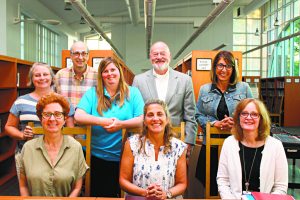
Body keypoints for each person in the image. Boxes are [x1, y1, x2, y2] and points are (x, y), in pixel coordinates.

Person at [74, 57, 144, 197]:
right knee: (99, 195)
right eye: (105, 71)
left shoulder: (133, 92)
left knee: (125, 195)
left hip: (127, 157)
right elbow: (78, 116)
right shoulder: (93, 93)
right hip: (96, 156)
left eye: (113, 70)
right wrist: (102, 121)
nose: (109, 74)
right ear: (101, 75)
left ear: (119, 72)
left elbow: (142, 119)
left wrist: (121, 125)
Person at [195, 50, 253, 196]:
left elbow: (254, 113)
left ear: (233, 69)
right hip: (211, 146)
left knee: (236, 184)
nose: (224, 70)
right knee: (212, 186)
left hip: (238, 144)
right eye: (220, 65)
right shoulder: (205, 89)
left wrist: (236, 123)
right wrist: (215, 123)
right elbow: (198, 115)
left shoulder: (244, 88)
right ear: (214, 67)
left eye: (228, 66)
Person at [5, 62, 74, 179]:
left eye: (45, 74)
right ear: (32, 78)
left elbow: (71, 131)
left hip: (58, 155)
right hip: (27, 155)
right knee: (29, 190)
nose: (42, 78)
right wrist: (22, 135)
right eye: (37, 75)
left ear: (52, 77)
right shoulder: (20, 101)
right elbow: (9, 127)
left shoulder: (64, 101)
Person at [132, 41, 197, 159]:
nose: (159, 57)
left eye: (163, 53)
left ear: (170, 56)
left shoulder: (185, 80)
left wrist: (189, 142)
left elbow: (191, 115)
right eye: (155, 54)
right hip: (146, 143)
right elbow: (136, 114)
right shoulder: (138, 80)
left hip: (176, 141)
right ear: (150, 57)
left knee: (177, 177)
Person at [18, 92, 88, 197]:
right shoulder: (28, 148)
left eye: (57, 114)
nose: (52, 119)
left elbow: (77, 188)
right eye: (47, 114)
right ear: (41, 119)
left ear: (65, 119)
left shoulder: (75, 147)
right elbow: (23, 186)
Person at [217, 98, 288, 199]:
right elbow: (223, 180)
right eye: (244, 113)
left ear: (261, 119)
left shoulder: (276, 146)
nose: (248, 117)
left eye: (254, 114)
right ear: (238, 118)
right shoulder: (229, 143)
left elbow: (281, 186)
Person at [119, 99, 187, 199]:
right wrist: (145, 193)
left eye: (160, 114)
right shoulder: (132, 144)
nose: (155, 118)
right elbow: (123, 181)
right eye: (150, 115)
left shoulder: (179, 147)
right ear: (145, 121)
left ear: (167, 119)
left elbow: (182, 184)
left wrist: (165, 194)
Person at [55, 40, 98, 108]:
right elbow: (53, 101)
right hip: (66, 118)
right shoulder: (60, 76)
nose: (80, 57)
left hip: (89, 118)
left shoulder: (98, 76)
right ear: (71, 56)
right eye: (76, 53)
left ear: (88, 56)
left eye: (84, 53)